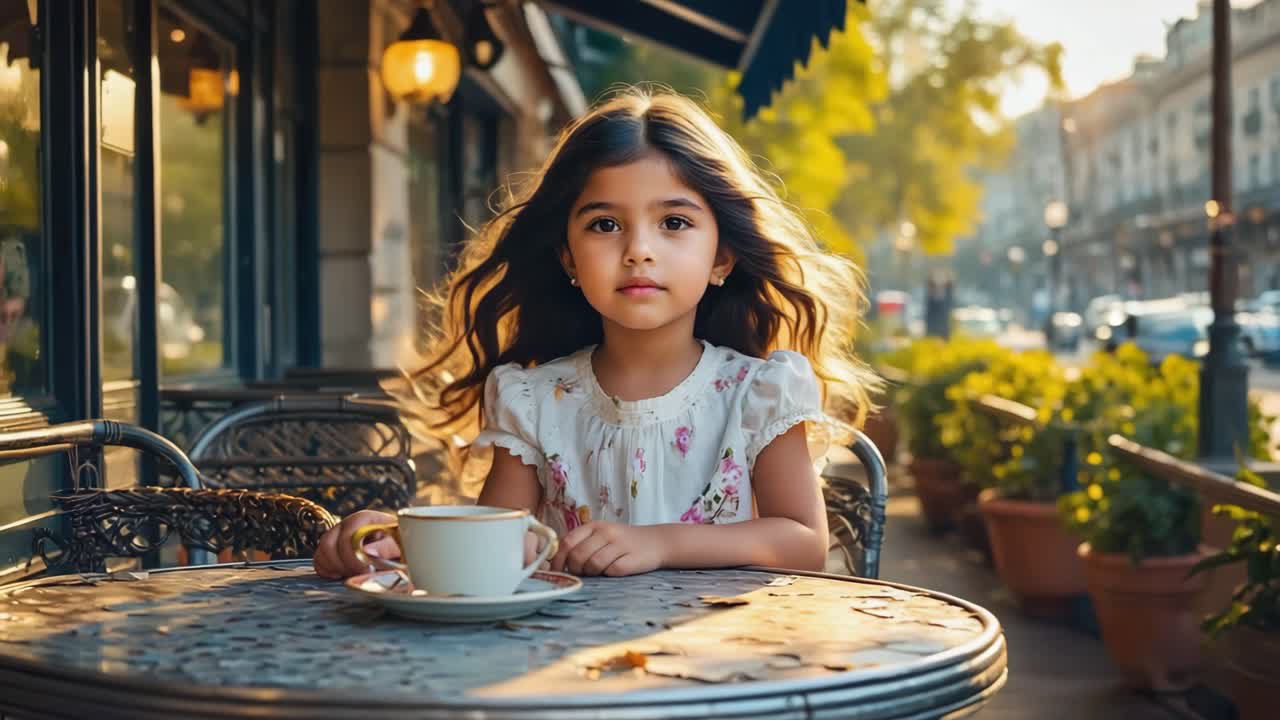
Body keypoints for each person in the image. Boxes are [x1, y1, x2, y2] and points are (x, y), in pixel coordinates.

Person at [313, 88, 877, 580]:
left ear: (722, 256)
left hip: (717, 665)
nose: (638, 250)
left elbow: (804, 542)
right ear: (569, 258)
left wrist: (660, 544)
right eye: (605, 225)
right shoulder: (531, 399)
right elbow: (501, 540)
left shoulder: (758, 393)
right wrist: (397, 541)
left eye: (674, 223)